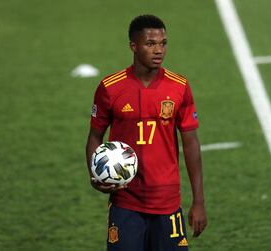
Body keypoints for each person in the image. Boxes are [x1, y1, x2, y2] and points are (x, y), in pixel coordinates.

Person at [86, 14, 207, 251]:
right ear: (134, 46)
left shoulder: (179, 86)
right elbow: (94, 137)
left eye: (163, 43)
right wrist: (95, 173)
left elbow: (191, 144)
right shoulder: (110, 88)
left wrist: (199, 201)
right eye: (150, 44)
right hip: (126, 202)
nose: (158, 50)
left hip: (168, 201)